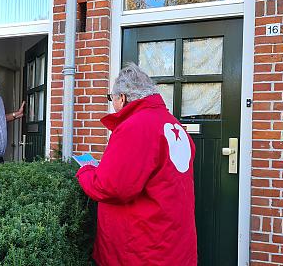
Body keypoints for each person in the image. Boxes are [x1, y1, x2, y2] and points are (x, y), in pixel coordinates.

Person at [75, 63, 197, 265]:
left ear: (122, 98)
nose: (112, 103)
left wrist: (85, 171)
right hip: (174, 242)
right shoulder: (172, 123)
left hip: (144, 247)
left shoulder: (135, 126)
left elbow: (110, 187)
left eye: (110, 98)